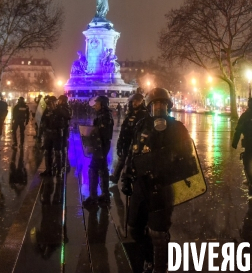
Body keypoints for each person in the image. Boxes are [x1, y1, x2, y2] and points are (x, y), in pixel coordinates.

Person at [121, 88, 195, 273]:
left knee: (159, 234)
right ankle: (148, 257)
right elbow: (133, 151)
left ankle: (160, 267)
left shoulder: (177, 128)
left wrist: (171, 163)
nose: (159, 107)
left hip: (162, 187)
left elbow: (187, 158)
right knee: (134, 229)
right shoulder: (141, 125)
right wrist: (127, 175)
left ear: (168, 106)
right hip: (141, 186)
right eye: (155, 104)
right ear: (150, 106)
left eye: (162, 104)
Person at [82, 95, 114, 208]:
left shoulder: (105, 117)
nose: (95, 105)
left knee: (93, 170)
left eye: (97, 103)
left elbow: (102, 134)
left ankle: (93, 197)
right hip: (100, 147)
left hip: (101, 147)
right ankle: (105, 195)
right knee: (103, 169)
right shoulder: (102, 115)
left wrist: (91, 135)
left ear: (103, 104)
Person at [110, 93, 148, 183]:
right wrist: (120, 142)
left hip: (137, 142)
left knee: (133, 162)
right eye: (133, 101)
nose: (135, 103)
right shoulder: (129, 114)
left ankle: (130, 178)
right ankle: (115, 177)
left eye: (137, 101)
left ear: (141, 102)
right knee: (122, 158)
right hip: (127, 141)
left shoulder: (144, 115)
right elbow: (123, 129)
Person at [40, 96, 64, 176]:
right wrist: (44, 129)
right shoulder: (47, 111)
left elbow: (67, 117)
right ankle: (48, 170)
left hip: (57, 134)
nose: (50, 105)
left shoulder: (60, 110)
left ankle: (59, 171)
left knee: (57, 152)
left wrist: (56, 110)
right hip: (48, 134)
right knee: (47, 152)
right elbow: (42, 120)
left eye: (52, 102)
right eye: (49, 103)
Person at [57, 94, 73, 172]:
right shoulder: (61, 107)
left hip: (64, 129)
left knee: (63, 146)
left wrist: (59, 109)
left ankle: (63, 163)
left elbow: (68, 116)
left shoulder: (65, 108)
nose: (58, 102)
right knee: (60, 146)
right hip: (61, 128)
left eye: (59, 100)